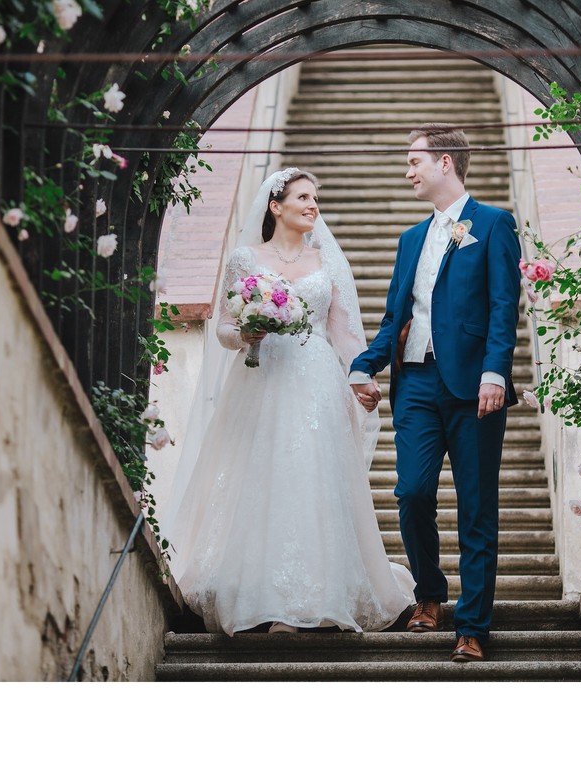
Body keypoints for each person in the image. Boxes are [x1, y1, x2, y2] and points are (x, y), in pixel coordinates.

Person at [163, 167, 415, 636]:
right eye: (302, 197)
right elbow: (222, 329)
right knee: (258, 476)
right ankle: (257, 593)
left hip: (317, 380)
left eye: (315, 198)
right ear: (275, 206)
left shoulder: (326, 263)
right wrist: (245, 334)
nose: (312, 205)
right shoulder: (245, 259)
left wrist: (360, 377)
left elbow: (342, 332)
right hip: (260, 380)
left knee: (312, 478)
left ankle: (317, 597)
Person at [349, 124, 521, 662]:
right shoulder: (409, 240)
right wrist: (364, 363)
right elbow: (395, 317)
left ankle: (471, 626)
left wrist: (495, 372)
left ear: (444, 162)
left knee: (476, 507)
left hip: (473, 387)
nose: (408, 172)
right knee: (412, 492)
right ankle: (429, 594)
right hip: (417, 383)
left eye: (414, 161)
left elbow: (502, 306)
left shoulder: (493, 225)